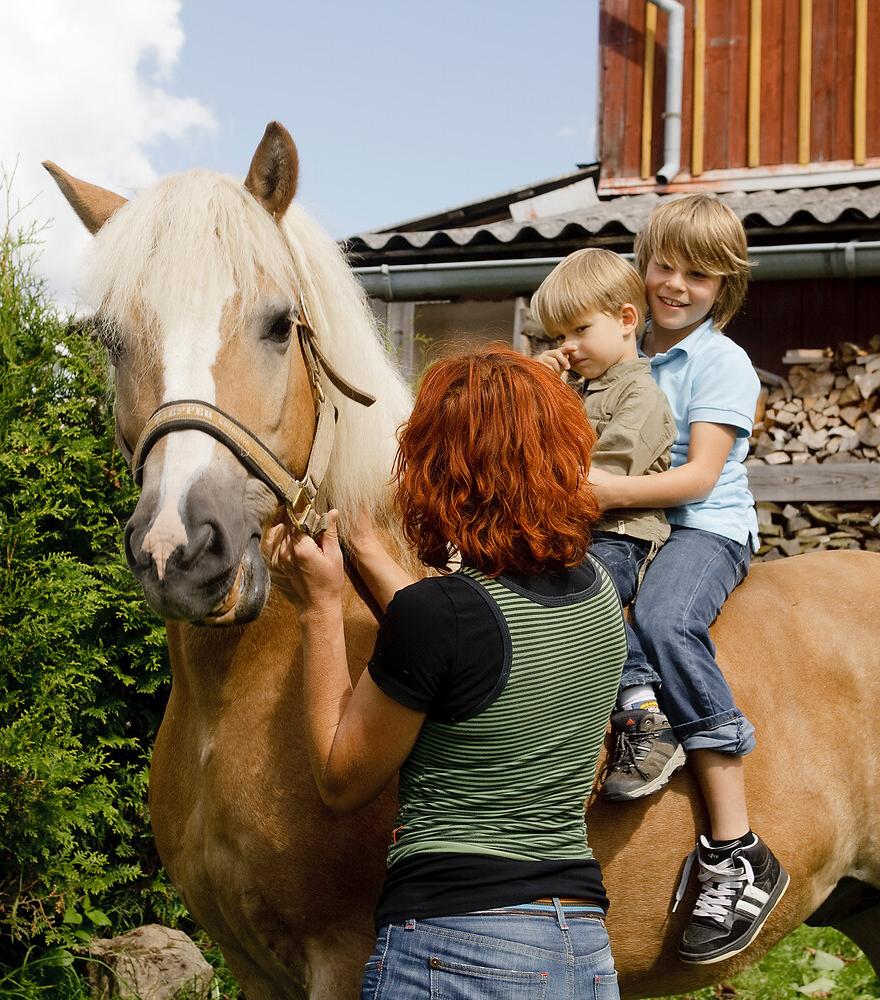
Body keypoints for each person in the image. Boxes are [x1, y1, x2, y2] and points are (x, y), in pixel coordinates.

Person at [265, 346, 627, 1000]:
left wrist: (318, 610)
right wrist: (369, 551)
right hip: (581, 947)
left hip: (459, 948)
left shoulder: (444, 616)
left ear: (440, 470)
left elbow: (340, 778)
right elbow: (468, 640)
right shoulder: (597, 591)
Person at [585, 194, 789, 964]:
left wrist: (600, 491)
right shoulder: (621, 351)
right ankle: (631, 711)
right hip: (631, 524)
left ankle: (737, 846)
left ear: (722, 287)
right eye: (664, 265)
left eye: (697, 275)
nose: (674, 284)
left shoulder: (719, 361)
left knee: (664, 621)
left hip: (703, 528)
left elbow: (700, 477)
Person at [531, 248, 685, 801]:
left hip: (619, 534)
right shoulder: (573, 390)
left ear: (625, 320)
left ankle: (644, 711)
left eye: (578, 329)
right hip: (569, 530)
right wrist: (539, 389)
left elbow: (604, 476)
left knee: (584, 589)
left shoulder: (642, 396)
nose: (566, 346)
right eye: (556, 335)